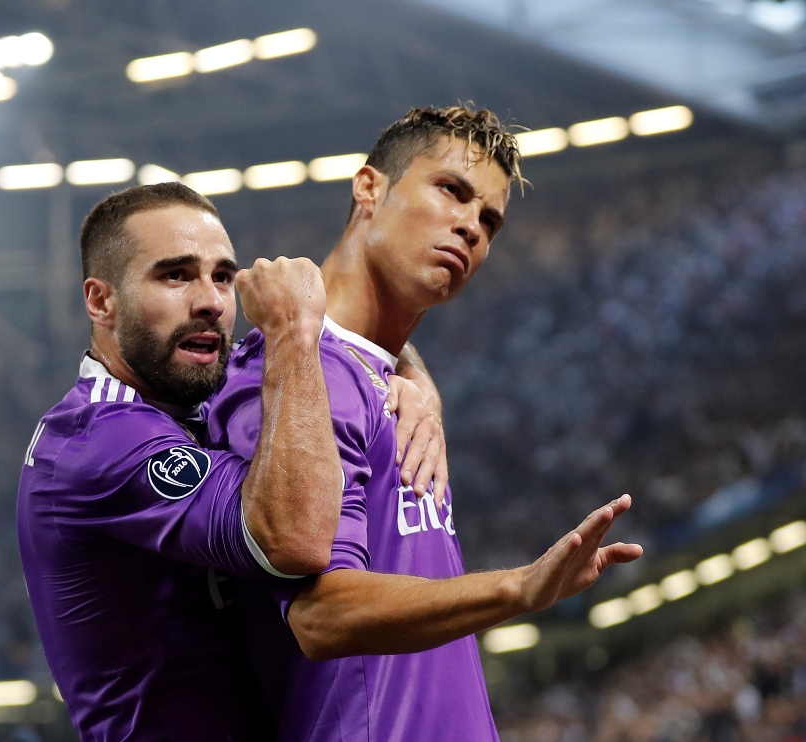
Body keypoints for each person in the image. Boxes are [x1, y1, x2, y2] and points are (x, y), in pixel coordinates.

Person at [206, 105, 644, 741]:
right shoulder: (290, 378)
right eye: (451, 190)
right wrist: (518, 588)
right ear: (369, 187)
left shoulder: (388, 384)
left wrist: (411, 373)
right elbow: (319, 616)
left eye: (489, 220)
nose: (470, 226)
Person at [16, 183, 443, 742]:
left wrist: (411, 377)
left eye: (221, 276)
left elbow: (356, 329)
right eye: (175, 275)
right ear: (101, 302)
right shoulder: (93, 441)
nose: (211, 302)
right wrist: (292, 331)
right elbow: (295, 541)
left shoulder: (207, 383)